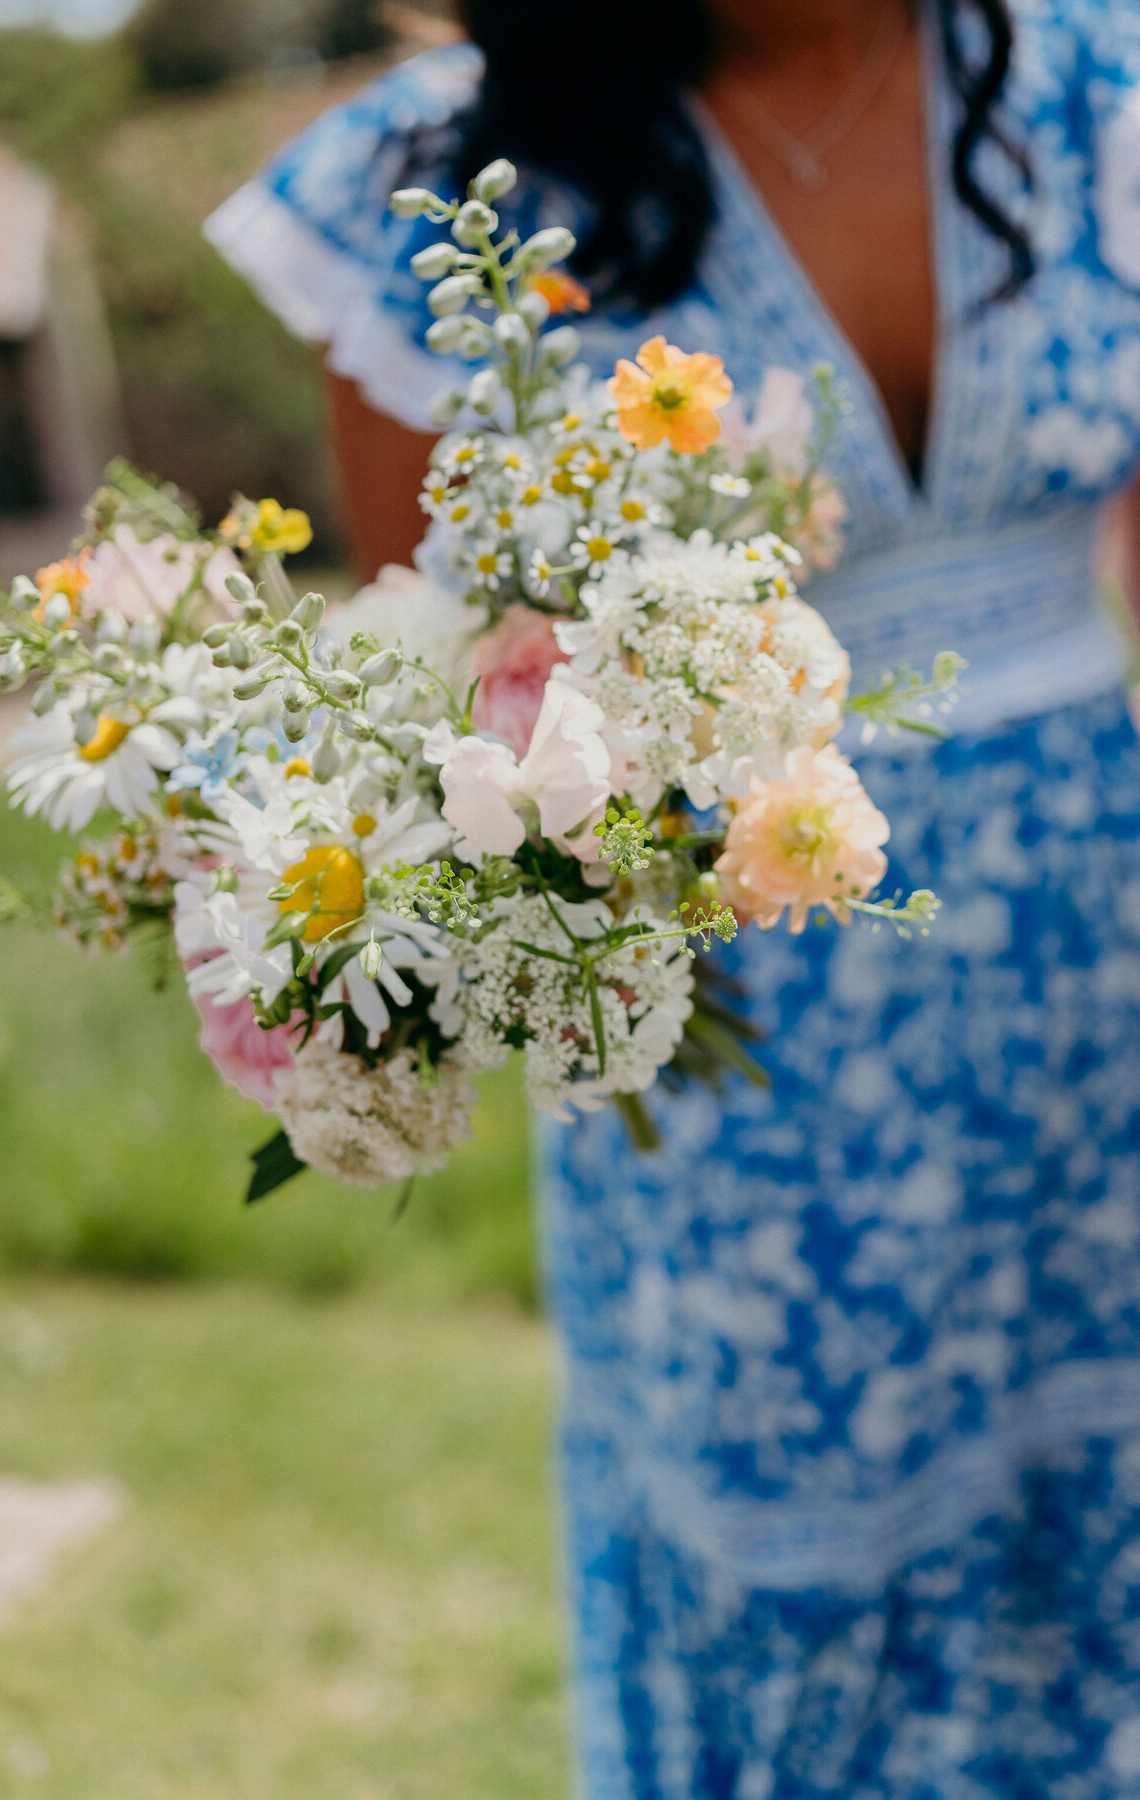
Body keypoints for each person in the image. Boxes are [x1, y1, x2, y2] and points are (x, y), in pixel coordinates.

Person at [206, 4, 1140, 1794]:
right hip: (729, 1041)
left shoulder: (1097, 87)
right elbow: (437, 691)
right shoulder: (434, 178)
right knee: (775, 1587)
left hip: (1097, 971)